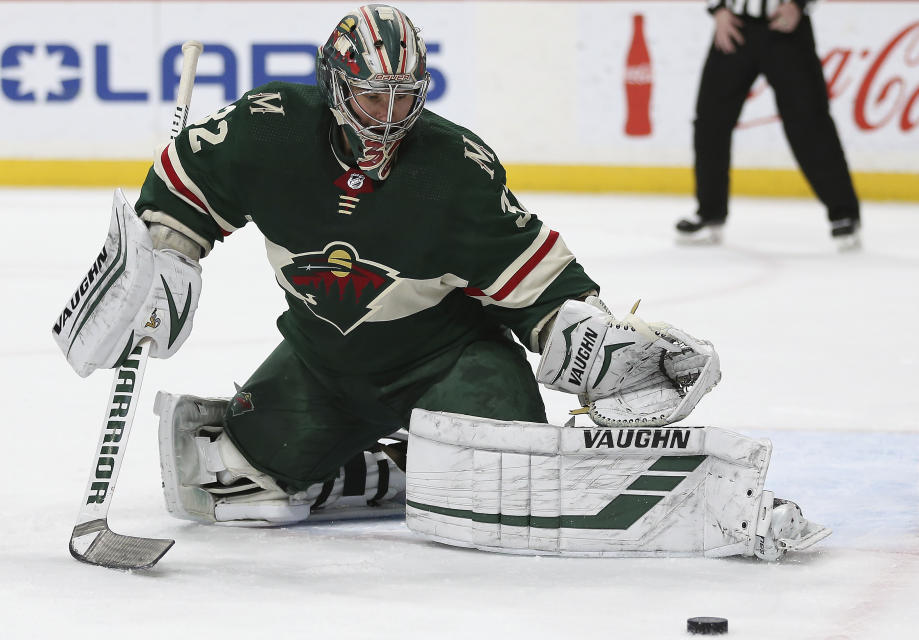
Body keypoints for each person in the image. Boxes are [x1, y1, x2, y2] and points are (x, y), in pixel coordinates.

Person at [53, 4, 828, 559]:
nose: (387, 117)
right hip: (324, 366)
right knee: (232, 478)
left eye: (403, 97)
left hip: (450, 359)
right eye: (369, 95)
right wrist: (163, 256)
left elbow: (538, 285)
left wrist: (599, 346)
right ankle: (396, 465)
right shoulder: (267, 128)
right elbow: (185, 184)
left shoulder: (454, 168)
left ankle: (436, 451)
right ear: (332, 86)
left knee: (506, 479)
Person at [676, 0, 862, 251]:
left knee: (809, 121)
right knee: (711, 120)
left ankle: (844, 212)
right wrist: (718, 9)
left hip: (787, 28)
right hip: (735, 24)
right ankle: (709, 212)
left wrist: (798, 4)